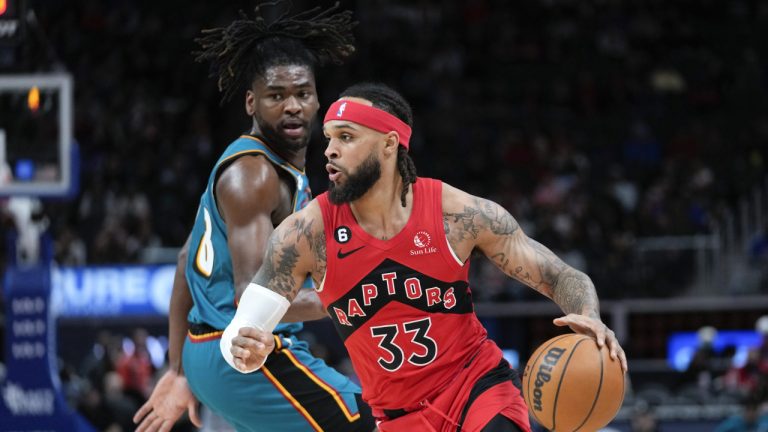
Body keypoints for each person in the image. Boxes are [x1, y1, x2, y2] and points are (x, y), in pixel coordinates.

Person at [222, 83, 629, 432]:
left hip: (477, 389)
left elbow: (559, 276)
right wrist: (245, 355)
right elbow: (240, 331)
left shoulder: (458, 214)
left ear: (388, 143)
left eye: (346, 137)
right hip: (397, 417)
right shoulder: (304, 233)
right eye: (328, 137)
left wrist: (588, 313)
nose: (329, 150)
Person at [132, 4, 376, 432]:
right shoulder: (254, 175)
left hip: (214, 350)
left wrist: (179, 372)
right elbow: (251, 300)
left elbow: (184, 260)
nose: (293, 106)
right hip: (240, 349)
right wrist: (348, 296)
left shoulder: (272, 167)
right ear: (251, 102)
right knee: (370, 420)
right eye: (276, 95)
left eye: (302, 93)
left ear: (319, 98)